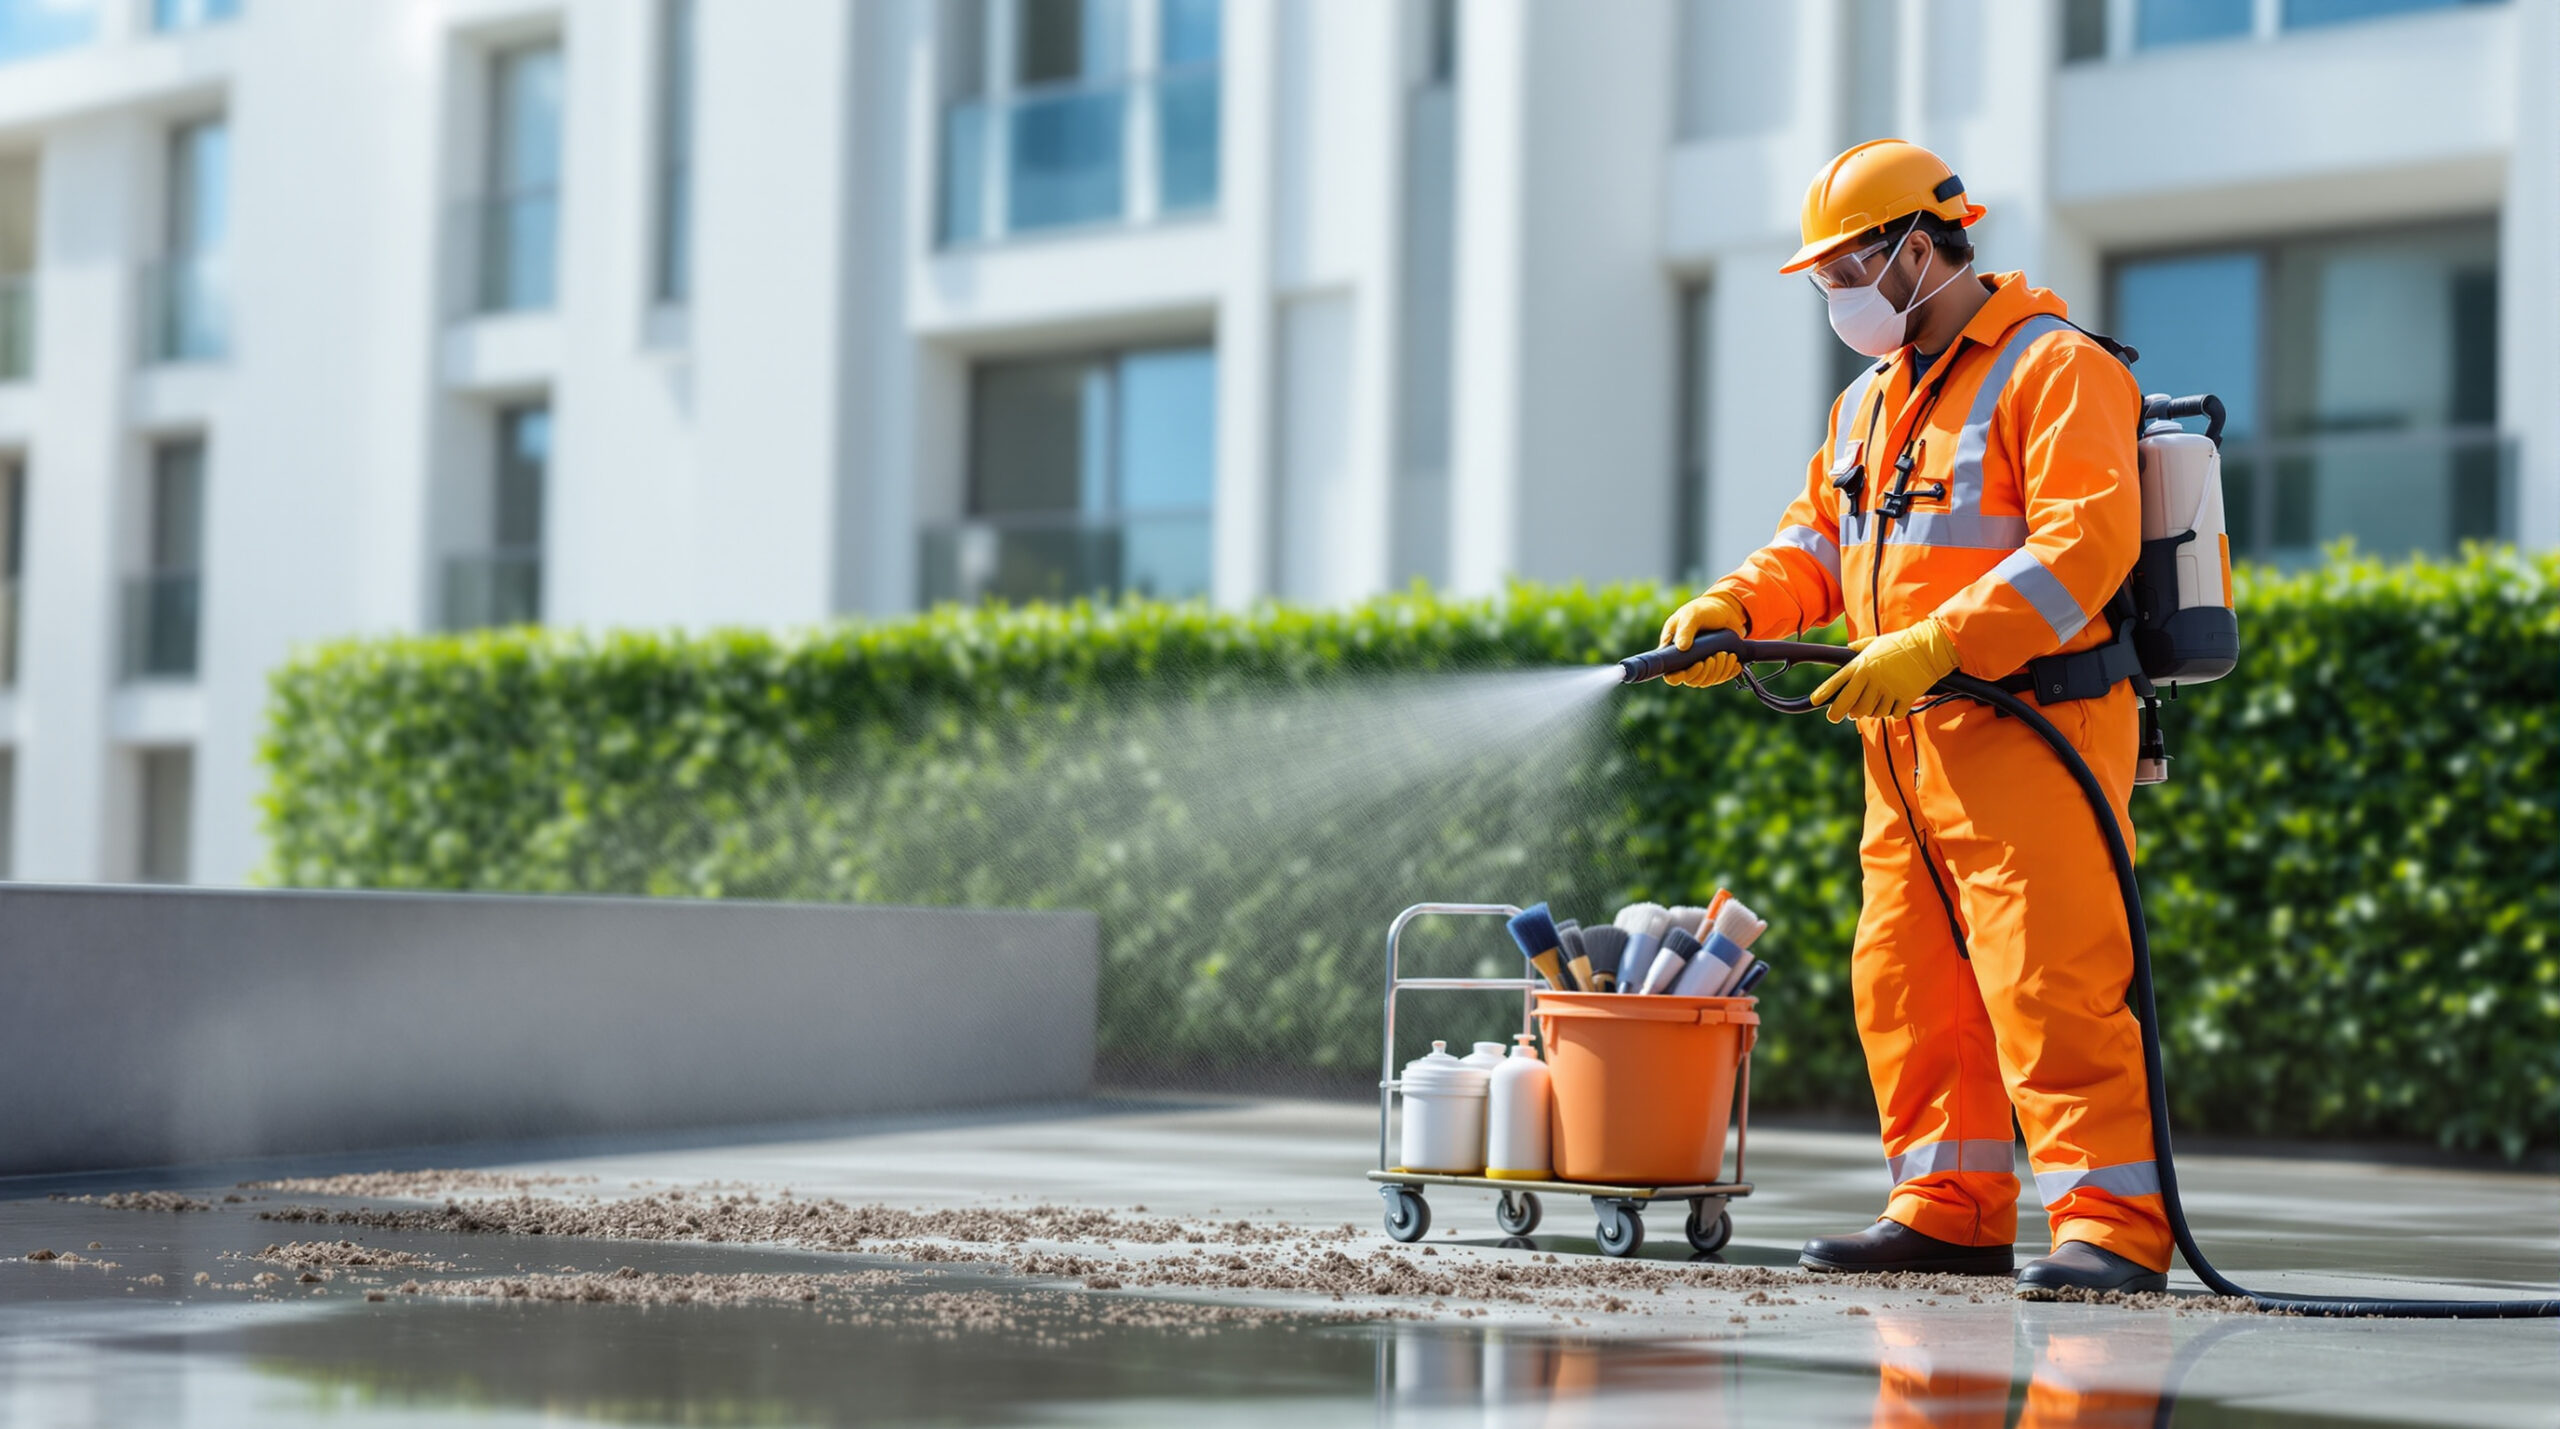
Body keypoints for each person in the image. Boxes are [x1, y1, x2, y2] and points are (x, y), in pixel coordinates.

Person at [1658, 138, 2169, 1296]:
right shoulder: (1866, 404)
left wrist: (1941, 642)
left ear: (1921, 248)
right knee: (1906, 984)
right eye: (1827, 277)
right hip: (1905, 753)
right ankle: (1947, 1208)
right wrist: (1737, 606)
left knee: (2048, 982)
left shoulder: (2057, 368)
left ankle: (2112, 1225)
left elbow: (2083, 549)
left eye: (1851, 269)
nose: (1840, 294)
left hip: (2034, 735)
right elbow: (1814, 544)